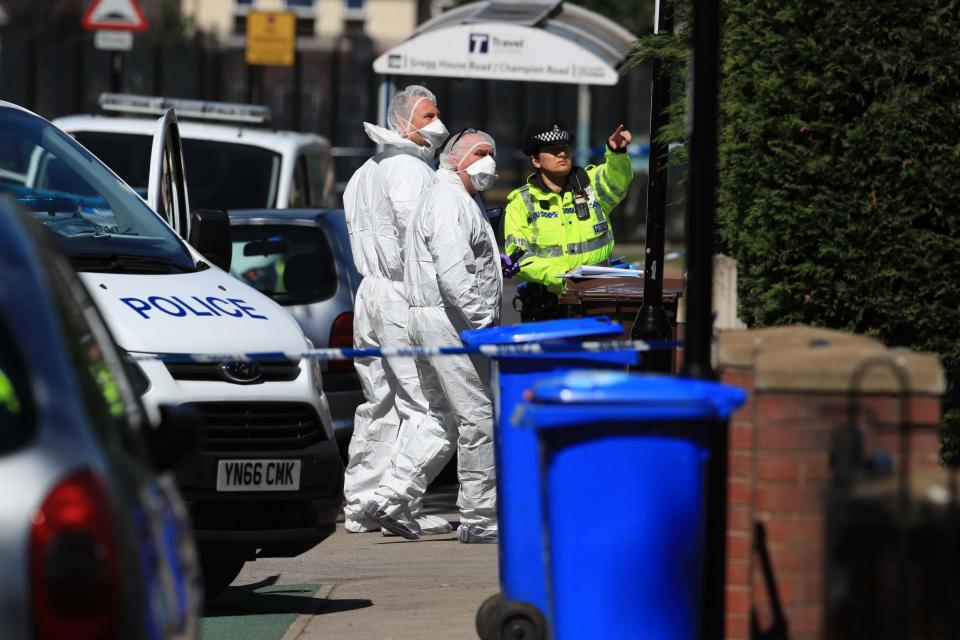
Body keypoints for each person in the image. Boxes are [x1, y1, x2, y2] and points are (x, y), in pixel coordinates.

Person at [363, 129, 502, 543]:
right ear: (456, 159)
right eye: (481, 152)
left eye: (492, 153)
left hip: (429, 320)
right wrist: (482, 325)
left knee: (439, 416)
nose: (489, 161)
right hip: (452, 322)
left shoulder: (448, 199)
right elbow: (454, 272)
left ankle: (389, 497)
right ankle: (480, 518)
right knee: (478, 418)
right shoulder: (448, 201)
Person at [341, 85, 453, 536]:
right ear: (403, 122)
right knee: (421, 403)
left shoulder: (366, 170)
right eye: (428, 116)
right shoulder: (410, 169)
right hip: (402, 295)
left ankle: (360, 503)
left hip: (369, 294)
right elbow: (419, 233)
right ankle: (396, 505)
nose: (438, 123)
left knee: (378, 403)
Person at [504, 120, 634, 318]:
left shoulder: (591, 185)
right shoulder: (521, 202)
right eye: (552, 149)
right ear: (536, 160)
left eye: (565, 147)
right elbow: (519, 257)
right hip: (548, 307)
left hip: (600, 300)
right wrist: (565, 276)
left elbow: (617, 180)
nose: (562, 153)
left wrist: (616, 154)